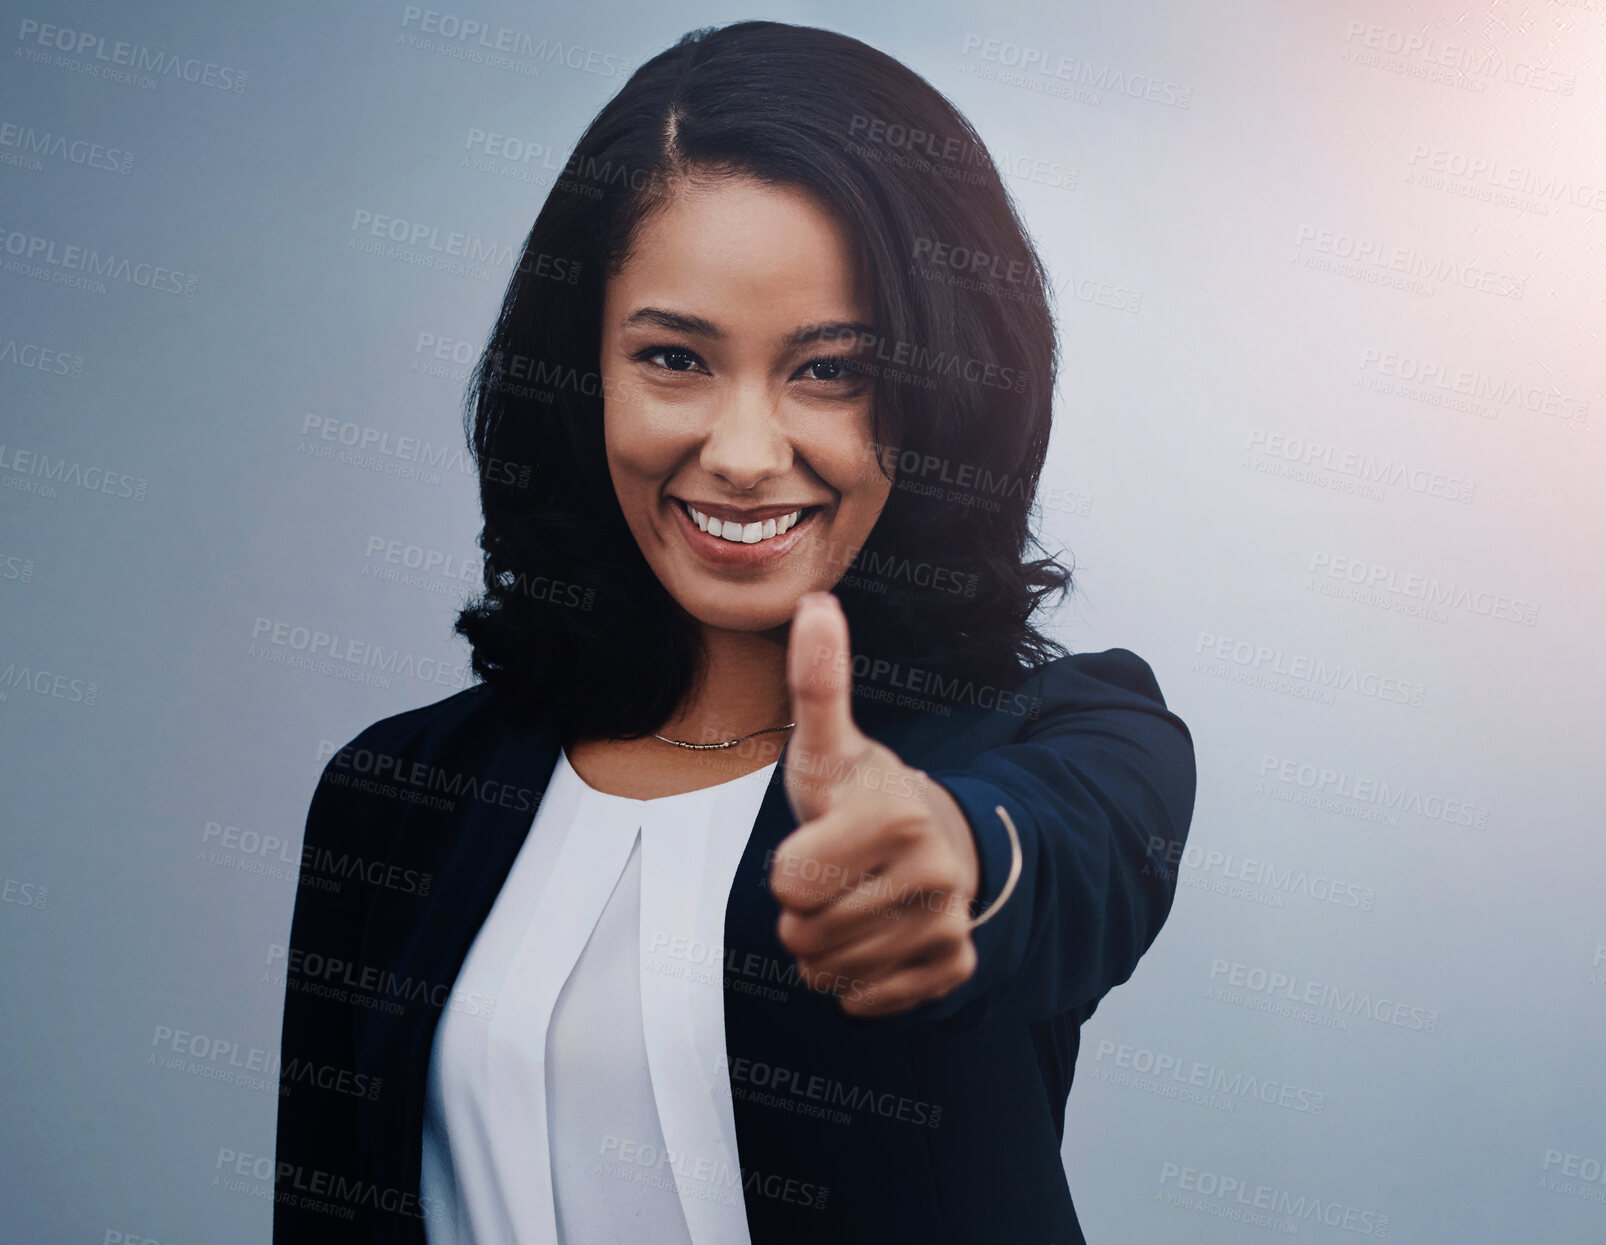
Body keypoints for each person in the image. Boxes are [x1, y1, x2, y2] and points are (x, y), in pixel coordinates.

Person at [274, 19, 1196, 1245]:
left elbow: (1066, 873)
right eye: (673, 358)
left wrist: (953, 871)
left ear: (946, 389)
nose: (747, 455)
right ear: (581, 371)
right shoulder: (392, 799)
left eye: (830, 371)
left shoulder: (1070, 738)